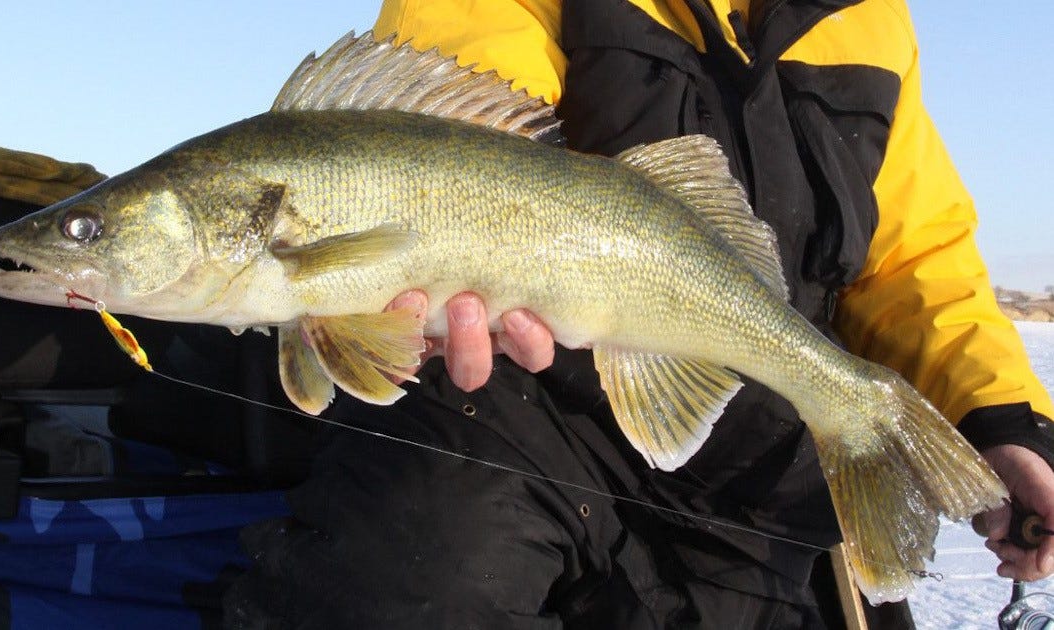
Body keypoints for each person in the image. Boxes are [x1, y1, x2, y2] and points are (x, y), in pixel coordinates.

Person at [216, 0, 1054, 628]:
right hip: (533, 420)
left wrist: (1003, 419)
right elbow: (440, 136)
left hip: (763, 469)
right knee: (408, 578)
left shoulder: (871, 19)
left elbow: (914, 262)